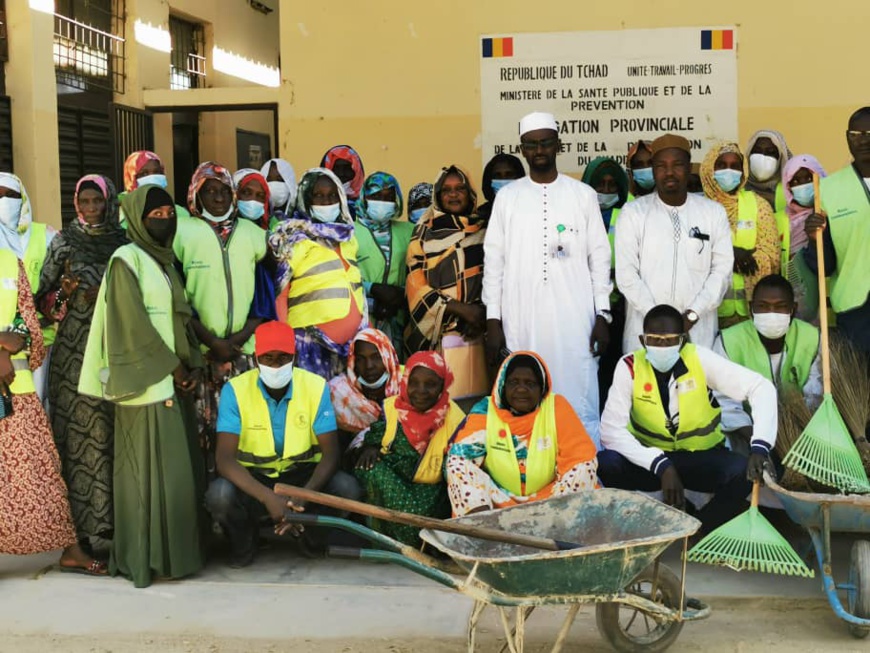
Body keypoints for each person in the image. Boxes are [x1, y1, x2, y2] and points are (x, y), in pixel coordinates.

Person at [79, 185, 206, 588]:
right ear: (137, 218)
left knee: (174, 477)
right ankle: (144, 559)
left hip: (173, 381)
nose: (164, 221)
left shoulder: (164, 261)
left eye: (170, 214)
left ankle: (174, 557)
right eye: (156, 215)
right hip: (146, 384)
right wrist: (173, 368)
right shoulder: (126, 260)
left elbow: (180, 317)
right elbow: (131, 324)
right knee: (145, 478)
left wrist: (192, 364)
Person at [483, 112, 612, 444]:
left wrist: (603, 314)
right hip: (521, 316)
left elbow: (599, 257)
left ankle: (582, 463)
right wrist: (493, 320)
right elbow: (494, 261)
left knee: (577, 391)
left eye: (545, 143)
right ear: (522, 149)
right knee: (524, 390)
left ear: (558, 145)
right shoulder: (507, 198)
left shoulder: (582, 195)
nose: (539, 150)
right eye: (531, 144)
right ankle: (526, 465)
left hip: (575, 319)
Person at [598, 304, 776, 532]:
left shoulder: (699, 358)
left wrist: (760, 446)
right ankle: (634, 525)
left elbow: (760, 387)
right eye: (654, 340)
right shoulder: (629, 367)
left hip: (699, 457)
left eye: (670, 340)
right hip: (650, 460)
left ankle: (700, 529)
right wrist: (660, 464)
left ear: (682, 341)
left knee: (742, 472)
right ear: (642, 341)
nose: (662, 346)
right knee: (607, 463)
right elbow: (611, 431)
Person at [206, 321, 361, 567]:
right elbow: (224, 460)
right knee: (219, 495)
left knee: (347, 488)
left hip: (301, 476)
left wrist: (303, 496)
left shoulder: (315, 387)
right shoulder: (235, 390)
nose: (275, 366)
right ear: (255, 360)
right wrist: (268, 498)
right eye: (267, 359)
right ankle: (246, 540)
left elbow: (331, 454)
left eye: (283, 358)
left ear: (295, 358)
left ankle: (308, 536)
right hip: (254, 479)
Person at [35, 175, 127, 555]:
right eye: (84, 201)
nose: (91, 208)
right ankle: (85, 532)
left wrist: (108, 293)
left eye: (97, 201)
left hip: (115, 347)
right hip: (74, 355)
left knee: (115, 435)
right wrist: (66, 293)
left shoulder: (124, 242)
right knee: (80, 439)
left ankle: (122, 527)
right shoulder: (64, 242)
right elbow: (42, 303)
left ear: (109, 202)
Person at [0, 247, 105, 574]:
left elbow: (28, 320)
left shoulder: (9, 262)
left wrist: (9, 346)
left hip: (16, 390)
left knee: (44, 473)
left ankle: (71, 549)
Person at [176, 162, 267, 474]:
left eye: (224, 191)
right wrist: (212, 342)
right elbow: (177, 298)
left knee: (246, 429)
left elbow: (264, 295)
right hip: (201, 354)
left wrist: (235, 341)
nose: (218, 198)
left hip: (244, 353)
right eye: (210, 191)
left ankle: (247, 495)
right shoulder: (182, 233)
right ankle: (209, 497)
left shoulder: (254, 235)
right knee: (205, 433)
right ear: (196, 195)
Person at [615, 134, 733, 354]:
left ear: (689, 167)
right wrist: (658, 320)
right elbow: (626, 275)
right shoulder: (633, 213)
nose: (669, 172)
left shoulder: (712, 213)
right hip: (645, 331)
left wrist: (692, 314)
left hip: (698, 332)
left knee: (697, 376)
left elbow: (722, 271)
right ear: (653, 170)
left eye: (677, 164)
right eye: (661, 166)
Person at [446, 351, 598, 516]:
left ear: (542, 389)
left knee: (584, 468)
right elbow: (461, 459)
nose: (521, 389)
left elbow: (580, 460)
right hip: (497, 503)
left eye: (530, 383)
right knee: (457, 465)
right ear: (503, 385)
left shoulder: (556, 406)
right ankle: (481, 524)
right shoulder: (486, 410)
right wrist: (480, 512)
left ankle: (552, 523)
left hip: (551, 501)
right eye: (514, 382)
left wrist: (554, 510)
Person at [354, 351, 465, 546]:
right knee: (369, 469)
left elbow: (458, 465)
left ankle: (405, 544)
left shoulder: (456, 419)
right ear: (405, 382)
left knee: (419, 512)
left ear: (442, 386)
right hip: (394, 478)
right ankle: (388, 541)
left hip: (431, 489)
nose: (421, 390)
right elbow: (377, 434)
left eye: (430, 384)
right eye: (414, 383)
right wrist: (370, 446)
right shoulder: (393, 408)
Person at [270, 167, 366, 379]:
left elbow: (356, 289)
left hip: (350, 349)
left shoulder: (348, 238)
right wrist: (286, 344)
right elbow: (280, 296)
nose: (327, 202)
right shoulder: (294, 238)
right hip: (308, 349)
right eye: (319, 196)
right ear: (306, 199)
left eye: (332, 196)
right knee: (313, 400)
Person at [714, 275, 821, 452]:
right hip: (747, 434)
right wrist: (759, 441)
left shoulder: (812, 338)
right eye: (763, 306)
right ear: (751, 309)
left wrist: (793, 434)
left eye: (780, 306)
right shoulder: (729, 341)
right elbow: (724, 402)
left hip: (802, 432)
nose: (771, 313)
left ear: (793, 309)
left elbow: (816, 395)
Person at [804, 107, 870, 353]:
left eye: (869, 133)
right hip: (855, 309)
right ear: (847, 138)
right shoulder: (828, 189)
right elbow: (826, 265)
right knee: (859, 375)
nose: (863, 140)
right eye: (856, 134)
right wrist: (815, 239)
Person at [405, 165, 486, 355]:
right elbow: (415, 285)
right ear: (438, 196)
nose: (453, 195)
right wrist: (461, 310)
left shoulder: (484, 230)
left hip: (477, 331)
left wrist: (481, 312)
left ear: (470, 193)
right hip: (437, 336)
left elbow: (495, 278)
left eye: (460, 189)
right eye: (446, 190)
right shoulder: (423, 233)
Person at [701, 142, 781, 329]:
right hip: (708, 313)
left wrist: (722, 258)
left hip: (751, 312)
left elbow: (772, 256)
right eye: (721, 165)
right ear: (710, 168)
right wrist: (732, 255)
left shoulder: (758, 205)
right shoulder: (697, 209)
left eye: (735, 166)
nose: (729, 171)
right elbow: (692, 254)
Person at [0, 173, 56, 402]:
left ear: (22, 199)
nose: (4, 201)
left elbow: (58, 297)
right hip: (4, 344)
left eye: (10, 195)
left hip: (41, 343)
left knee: (40, 405)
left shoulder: (47, 236)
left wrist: (63, 295)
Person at [582, 157, 631, 411]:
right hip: (582, 308)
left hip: (620, 308)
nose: (606, 190)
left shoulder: (629, 215)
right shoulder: (576, 214)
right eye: (599, 184)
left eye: (612, 185)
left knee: (615, 372)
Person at [355, 172, 414, 356]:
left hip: (399, 317)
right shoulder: (348, 231)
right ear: (364, 198)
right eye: (376, 196)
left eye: (388, 197)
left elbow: (419, 269)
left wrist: (401, 294)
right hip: (362, 317)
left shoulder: (409, 231)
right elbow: (340, 275)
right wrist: (373, 289)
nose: (382, 202)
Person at [776, 155, 827, 320]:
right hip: (792, 295)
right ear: (788, 187)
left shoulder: (832, 213)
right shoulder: (779, 220)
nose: (803, 185)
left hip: (828, 297)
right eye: (796, 181)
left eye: (809, 178)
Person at [329, 328, 403, 440]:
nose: (369, 366)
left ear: (388, 357)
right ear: (353, 361)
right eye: (361, 359)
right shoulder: (338, 392)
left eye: (376, 357)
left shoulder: (406, 384)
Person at [119, 150, 190, 225]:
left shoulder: (180, 213)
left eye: (157, 172)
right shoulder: (120, 215)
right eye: (144, 173)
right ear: (131, 178)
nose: (152, 177)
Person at [745, 130, 792, 212]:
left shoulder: (792, 193)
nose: (762, 157)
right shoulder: (736, 189)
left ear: (781, 158)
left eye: (771, 152)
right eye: (757, 151)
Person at [477, 153, 525, 222]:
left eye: (509, 175)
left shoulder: (531, 211)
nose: (503, 180)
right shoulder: (480, 216)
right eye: (497, 176)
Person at [321, 145, 365, 218]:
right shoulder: (315, 205)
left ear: (357, 171)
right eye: (336, 168)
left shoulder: (367, 206)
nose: (341, 173)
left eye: (347, 168)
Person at [260, 157, 297, 224]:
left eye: (280, 179)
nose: (274, 184)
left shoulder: (300, 215)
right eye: (269, 180)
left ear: (290, 183)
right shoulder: (258, 215)